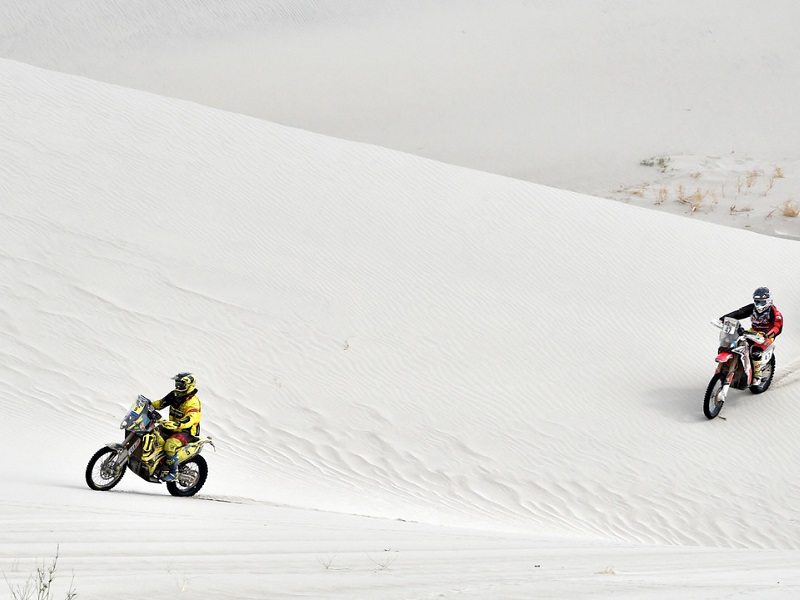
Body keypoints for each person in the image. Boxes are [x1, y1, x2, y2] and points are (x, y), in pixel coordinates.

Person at [719, 287, 783, 383]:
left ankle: (757, 375)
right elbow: (740, 313)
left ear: (768, 301)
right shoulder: (752, 308)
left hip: (767, 335)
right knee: (736, 344)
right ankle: (733, 366)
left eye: (762, 302)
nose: (759, 305)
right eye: (757, 301)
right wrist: (724, 318)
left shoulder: (774, 313)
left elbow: (777, 327)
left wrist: (769, 334)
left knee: (755, 351)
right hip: (753, 331)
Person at [152, 372, 201, 482]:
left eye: (181, 384)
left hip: (186, 431)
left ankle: (173, 473)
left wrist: (178, 424)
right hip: (172, 426)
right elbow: (161, 403)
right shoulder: (174, 394)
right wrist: (148, 405)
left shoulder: (193, 402)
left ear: (189, 386)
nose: (178, 387)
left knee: (170, 445)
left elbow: (191, 418)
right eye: (177, 383)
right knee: (152, 433)